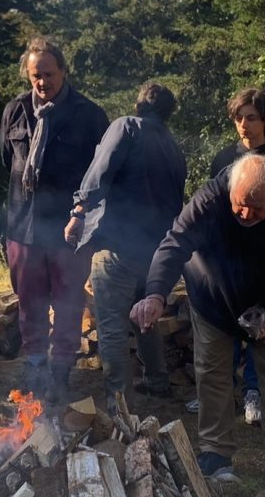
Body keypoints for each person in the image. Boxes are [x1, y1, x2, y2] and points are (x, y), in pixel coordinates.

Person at [132, 152, 265, 490]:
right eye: (240, 203)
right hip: (212, 299)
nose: (246, 213)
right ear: (231, 188)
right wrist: (155, 293)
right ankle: (216, 453)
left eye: (257, 208)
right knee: (212, 373)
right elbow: (174, 244)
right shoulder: (210, 200)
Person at [65, 82, 187, 413]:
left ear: (138, 105)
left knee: (112, 327)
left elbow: (98, 174)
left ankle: (118, 404)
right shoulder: (174, 149)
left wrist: (78, 212)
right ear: (168, 113)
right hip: (156, 253)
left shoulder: (125, 127)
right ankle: (157, 380)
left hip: (118, 247)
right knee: (144, 318)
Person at [0, 37, 110, 405]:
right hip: (23, 225)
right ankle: (34, 365)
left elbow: (101, 175)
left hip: (70, 229)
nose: (42, 83)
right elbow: (7, 161)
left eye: (48, 74)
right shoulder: (15, 111)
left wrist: (83, 216)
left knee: (67, 302)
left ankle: (61, 370)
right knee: (29, 299)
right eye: (35, 76)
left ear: (64, 71)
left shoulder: (90, 116)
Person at [207, 86, 265, 425]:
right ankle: (220, 394)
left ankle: (254, 393)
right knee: (226, 330)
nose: (244, 124)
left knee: (259, 330)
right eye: (238, 117)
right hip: (227, 262)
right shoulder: (222, 160)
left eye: (251, 117)